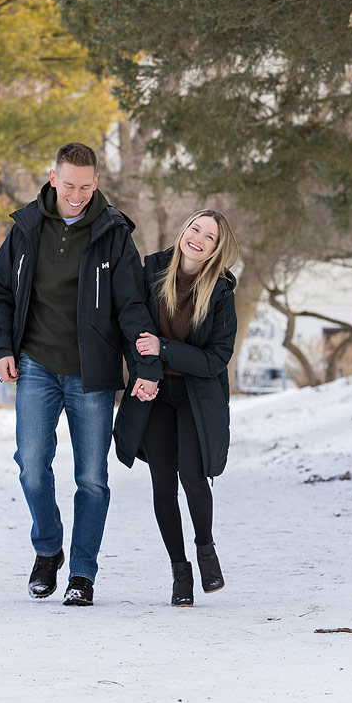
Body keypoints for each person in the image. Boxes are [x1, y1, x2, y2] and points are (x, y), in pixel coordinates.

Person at [0, 142, 161, 605]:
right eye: (69, 185)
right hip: (36, 366)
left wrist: (146, 365)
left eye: (86, 186)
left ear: (97, 182)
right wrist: (2, 347)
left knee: (92, 479)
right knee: (31, 468)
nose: (77, 194)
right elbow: (0, 291)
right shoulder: (26, 228)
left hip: (92, 373)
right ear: (52, 177)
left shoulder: (114, 233)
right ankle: (48, 550)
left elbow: (132, 307)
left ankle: (82, 573)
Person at [113, 210, 239, 606]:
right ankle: (179, 572)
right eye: (195, 229)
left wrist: (165, 349)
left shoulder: (219, 292)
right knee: (163, 484)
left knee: (193, 475)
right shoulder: (151, 270)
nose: (198, 239)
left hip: (196, 396)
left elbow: (215, 359)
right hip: (154, 394)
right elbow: (131, 330)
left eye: (209, 237)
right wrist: (143, 374)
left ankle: (206, 549)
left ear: (217, 249)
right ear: (184, 230)